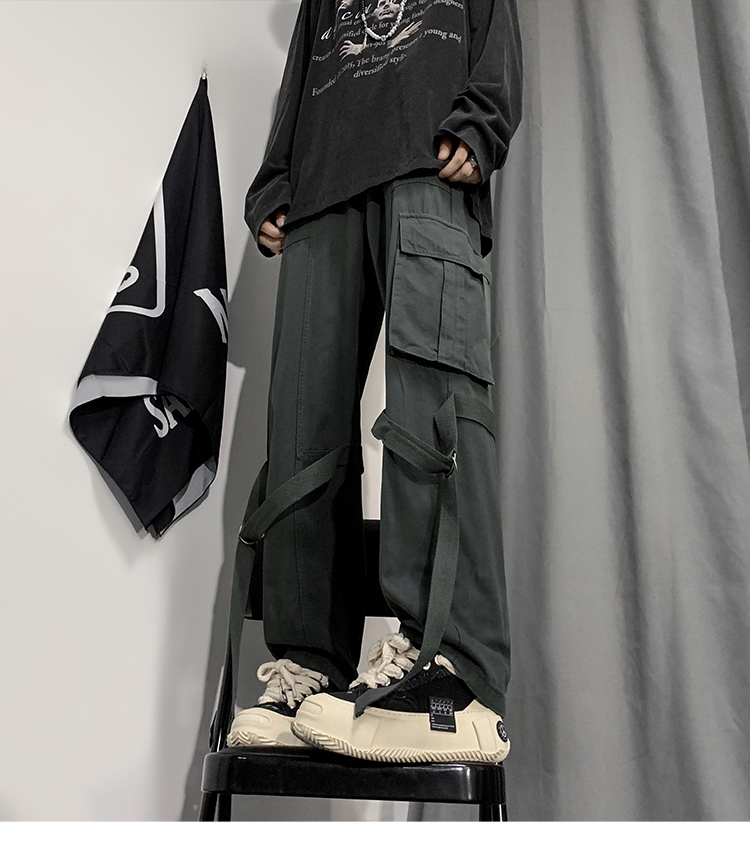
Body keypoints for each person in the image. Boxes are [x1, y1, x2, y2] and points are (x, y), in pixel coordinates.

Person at [227, 0, 523, 764]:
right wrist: (274, 184)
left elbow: (497, 30)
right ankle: (308, 666)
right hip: (321, 193)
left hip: (427, 162)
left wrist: (483, 120)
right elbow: (300, 81)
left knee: (434, 408)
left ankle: (452, 670)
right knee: (303, 430)